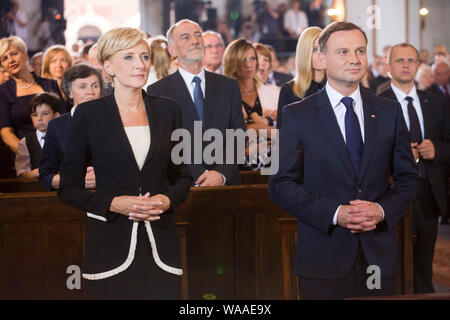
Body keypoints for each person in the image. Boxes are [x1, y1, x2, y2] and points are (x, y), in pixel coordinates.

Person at [268, 21, 420, 300]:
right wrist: (336, 213)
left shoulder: (389, 112)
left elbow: (409, 178)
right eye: (344, 52)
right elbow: (280, 184)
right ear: (322, 58)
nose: (354, 59)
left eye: (360, 51)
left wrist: (381, 210)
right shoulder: (298, 114)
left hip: (379, 257)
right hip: (323, 256)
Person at [57, 27, 192, 299]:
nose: (140, 64)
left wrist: (167, 201)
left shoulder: (169, 110)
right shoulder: (88, 114)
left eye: (144, 56)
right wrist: (114, 203)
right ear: (108, 66)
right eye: (129, 57)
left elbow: (184, 177)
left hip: (161, 245)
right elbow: (68, 188)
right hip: (109, 244)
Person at [379, 44, 450, 294]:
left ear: (419, 65)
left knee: (423, 266)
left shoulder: (437, 102)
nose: (406, 65)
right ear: (388, 67)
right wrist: (397, 155)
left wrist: (437, 150)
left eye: (411, 60)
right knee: (393, 263)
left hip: (428, 194)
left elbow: (448, 143)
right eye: (399, 60)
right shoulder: (376, 103)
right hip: (391, 193)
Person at [148, 19, 245, 186]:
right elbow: (163, 143)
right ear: (172, 50)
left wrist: (221, 173)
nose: (194, 40)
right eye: (185, 37)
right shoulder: (158, 91)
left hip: (226, 185)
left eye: (198, 35)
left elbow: (238, 134)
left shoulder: (228, 85)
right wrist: (199, 174)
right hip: (181, 185)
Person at [39, 64, 103, 191]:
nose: (91, 92)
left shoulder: (115, 120)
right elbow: (45, 176)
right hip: (72, 199)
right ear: (69, 92)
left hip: (109, 195)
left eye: (95, 86)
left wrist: (102, 177)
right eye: (82, 86)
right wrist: (74, 179)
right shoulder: (56, 126)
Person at [0, 36, 64, 154]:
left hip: (58, 151)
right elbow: (6, 132)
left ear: (25, 55)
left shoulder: (50, 84)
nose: (10, 60)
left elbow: (64, 120)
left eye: (14, 54)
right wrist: (28, 153)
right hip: (26, 157)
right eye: (4, 58)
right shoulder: (3, 92)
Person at [223, 39, 278, 170]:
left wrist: (252, 127)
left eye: (252, 59)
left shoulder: (273, 92)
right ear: (233, 62)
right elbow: (222, 140)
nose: (249, 65)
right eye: (243, 60)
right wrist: (246, 151)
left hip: (275, 165)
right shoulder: (224, 96)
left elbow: (286, 133)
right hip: (238, 168)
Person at [277, 26, 325, 129]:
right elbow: (283, 134)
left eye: (324, 48)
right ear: (305, 52)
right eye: (315, 49)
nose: (321, 54)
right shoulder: (289, 90)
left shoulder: (337, 87)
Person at [15, 92, 60, 179]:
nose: (39, 118)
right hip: (36, 188)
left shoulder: (66, 137)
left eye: (45, 113)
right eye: (35, 115)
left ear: (56, 116)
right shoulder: (25, 142)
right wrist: (41, 171)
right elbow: (22, 174)